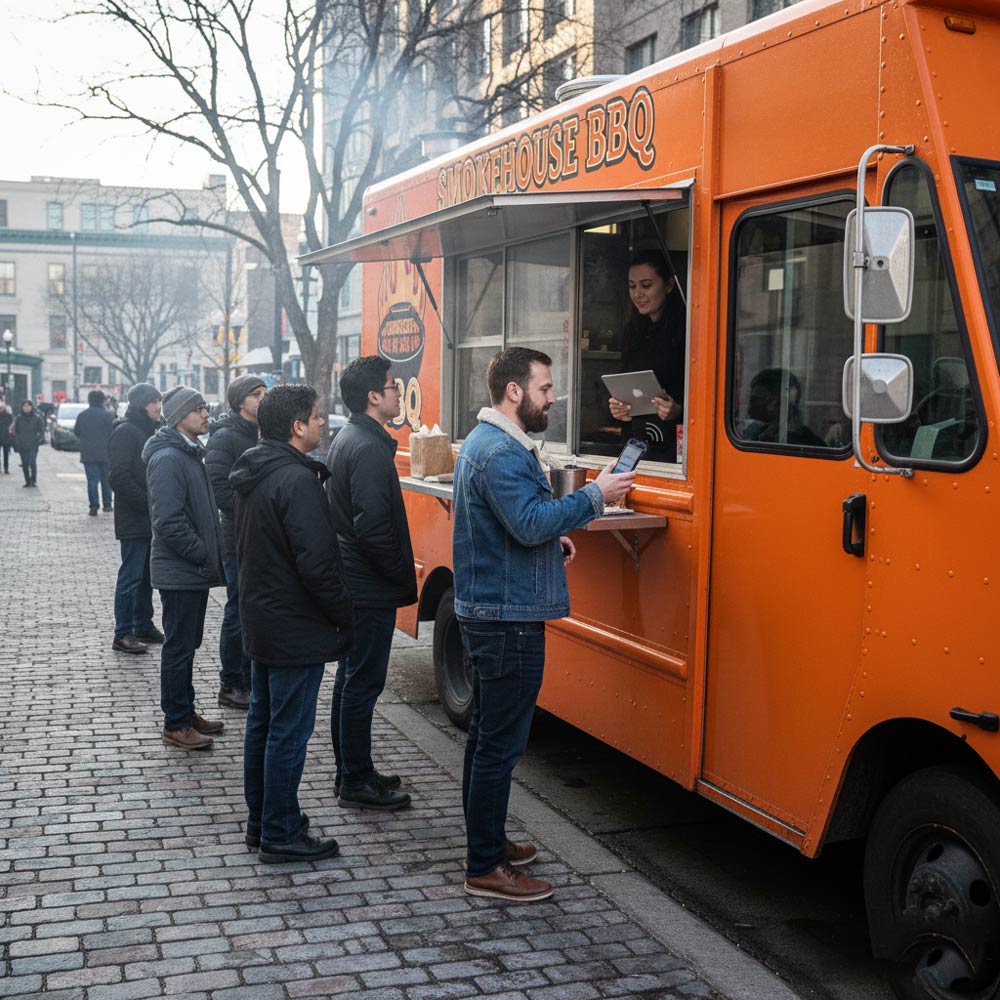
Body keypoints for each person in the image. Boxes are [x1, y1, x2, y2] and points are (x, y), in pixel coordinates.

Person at [455, 347, 635, 902]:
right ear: (515, 391)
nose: (553, 398)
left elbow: (512, 527)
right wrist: (594, 496)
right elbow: (529, 521)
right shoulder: (502, 451)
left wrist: (551, 540)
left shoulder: (489, 444)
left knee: (486, 737)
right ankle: (485, 865)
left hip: (494, 609)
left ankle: (488, 841)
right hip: (506, 619)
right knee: (499, 746)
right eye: (545, 388)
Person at [231, 384, 353, 863]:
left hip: (265, 618)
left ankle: (264, 820)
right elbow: (318, 564)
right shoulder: (294, 479)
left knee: (264, 723)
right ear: (298, 426)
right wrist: (344, 615)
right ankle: (280, 830)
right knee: (287, 730)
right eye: (319, 416)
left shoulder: (259, 468)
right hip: (293, 624)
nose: (324, 422)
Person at [325, 356, 415, 811]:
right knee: (362, 683)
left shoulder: (354, 437)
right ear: (373, 397)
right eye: (392, 386)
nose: (398, 392)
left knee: (352, 679)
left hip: (357, 579)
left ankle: (351, 770)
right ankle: (355, 779)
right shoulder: (365, 446)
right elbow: (372, 526)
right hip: (365, 584)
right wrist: (396, 570)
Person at [143, 386, 226, 751]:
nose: (206, 414)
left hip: (191, 570)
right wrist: (202, 554)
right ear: (179, 416)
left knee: (188, 645)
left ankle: (185, 711)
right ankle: (176, 723)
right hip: (181, 571)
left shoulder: (188, 452)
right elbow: (168, 522)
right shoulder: (168, 458)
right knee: (178, 648)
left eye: (206, 407)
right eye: (198, 409)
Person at [205, 374, 266, 711]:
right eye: (256, 394)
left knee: (253, 608)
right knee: (237, 609)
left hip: (259, 534)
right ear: (240, 400)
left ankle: (249, 675)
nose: (262, 398)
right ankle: (231, 683)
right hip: (237, 536)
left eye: (264, 393)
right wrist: (252, 509)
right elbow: (219, 487)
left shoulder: (261, 431)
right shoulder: (225, 437)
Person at [607, 249, 686, 462]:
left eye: (646, 285)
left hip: (674, 446)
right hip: (636, 440)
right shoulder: (632, 331)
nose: (637, 294)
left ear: (669, 285)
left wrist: (679, 410)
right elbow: (624, 384)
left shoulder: (687, 330)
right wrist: (619, 409)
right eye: (632, 286)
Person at [108, 383, 164, 655]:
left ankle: (143, 623)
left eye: (158, 401)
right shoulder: (126, 431)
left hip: (150, 517)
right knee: (131, 576)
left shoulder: (152, 429)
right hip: (134, 517)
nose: (158, 406)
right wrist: (146, 502)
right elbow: (118, 476)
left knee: (146, 576)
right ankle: (123, 632)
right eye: (153, 401)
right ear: (141, 403)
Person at [740, 368, 824, 447]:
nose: (750, 405)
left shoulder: (800, 444)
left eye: (754, 399)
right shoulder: (760, 432)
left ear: (774, 403)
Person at [74, 389, 115, 515]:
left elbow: (76, 432)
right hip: (106, 454)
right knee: (106, 480)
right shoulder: (109, 415)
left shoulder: (82, 415)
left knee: (92, 481)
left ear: (89, 400)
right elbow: (115, 433)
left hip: (88, 454)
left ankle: (93, 507)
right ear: (103, 400)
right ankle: (107, 505)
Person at [11, 400, 44, 487]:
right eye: (24, 406)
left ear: (31, 407)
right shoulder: (18, 418)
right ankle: (27, 481)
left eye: (28, 406)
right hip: (22, 444)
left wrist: (38, 437)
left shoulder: (36, 418)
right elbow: (15, 431)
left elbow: (41, 430)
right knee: (25, 463)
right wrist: (17, 441)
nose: (26, 408)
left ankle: (33, 480)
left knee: (32, 462)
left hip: (33, 444)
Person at [0, 401, 12, 474]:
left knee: (6, 454)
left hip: (6, 437)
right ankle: (5, 468)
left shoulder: (9, 416)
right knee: (6, 454)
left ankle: (6, 467)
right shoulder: (9, 416)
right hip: (6, 437)